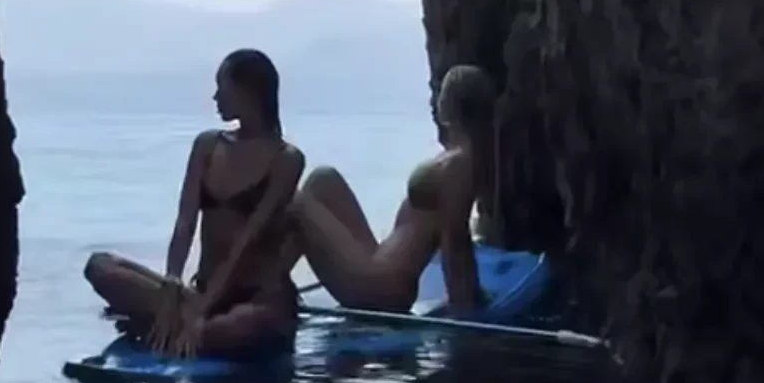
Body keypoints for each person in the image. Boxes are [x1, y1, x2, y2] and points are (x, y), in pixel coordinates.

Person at [84, 49, 305, 359]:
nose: (215, 97)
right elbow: (185, 222)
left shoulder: (286, 160)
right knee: (100, 266)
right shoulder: (207, 145)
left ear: (247, 92)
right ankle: (175, 321)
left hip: (256, 301)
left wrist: (203, 307)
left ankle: (172, 326)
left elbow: (247, 242)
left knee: (221, 331)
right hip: (199, 294)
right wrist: (172, 284)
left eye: (222, 87)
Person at [284, 64, 496, 313]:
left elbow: (455, 238)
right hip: (379, 267)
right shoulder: (457, 157)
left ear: (451, 105)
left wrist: (464, 305)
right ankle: (274, 281)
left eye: (442, 92)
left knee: (293, 200)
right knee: (323, 180)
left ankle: (266, 287)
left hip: (380, 288)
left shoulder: (459, 164)